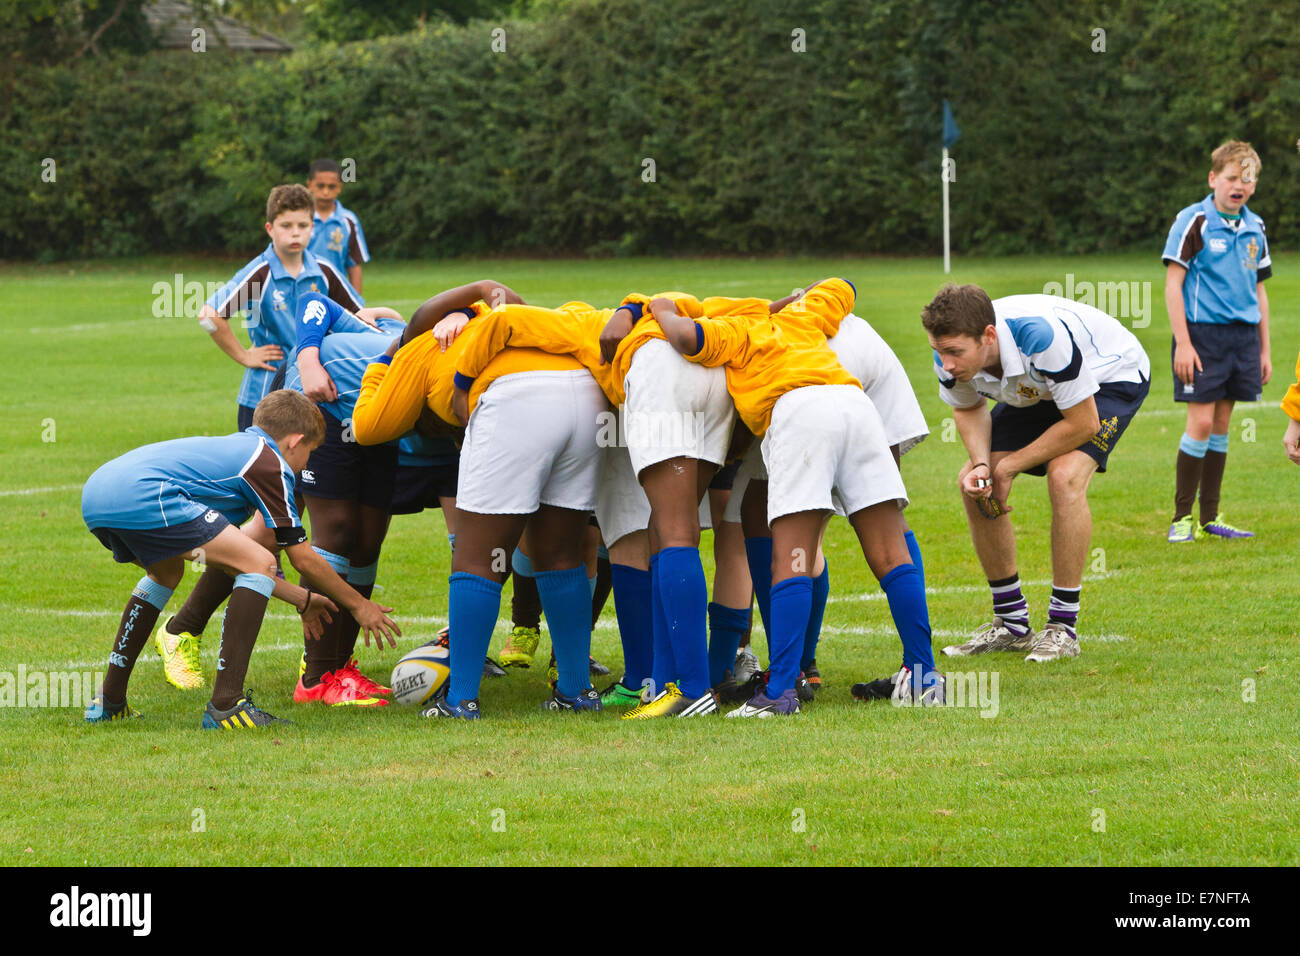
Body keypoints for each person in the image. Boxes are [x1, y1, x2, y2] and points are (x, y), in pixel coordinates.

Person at [651, 279, 940, 715]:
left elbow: (687, 337)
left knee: (793, 557)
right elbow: (845, 285)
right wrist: (800, 296)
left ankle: (782, 690)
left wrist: (662, 308)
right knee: (891, 550)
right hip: (856, 406)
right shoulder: (804, 317)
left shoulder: (737, 333)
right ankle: (923, 675)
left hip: (801, 415)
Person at [81, 390, 399, 728]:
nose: (308, 464)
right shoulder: (269, 462)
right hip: (145, 494)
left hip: (99, 494)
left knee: (166, 574)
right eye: (311, 452)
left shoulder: (240, 450)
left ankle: (109, 701)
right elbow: (301, 559)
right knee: (259, 561)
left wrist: (302, 599)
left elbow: (238, 559)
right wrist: (358, 605)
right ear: (295, 441)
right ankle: (226, 705)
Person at [924, 285, 1150, 662]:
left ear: (988, 337)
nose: (946, 363)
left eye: (955, 352)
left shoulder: (1040, 337)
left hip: (1110, 375)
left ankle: (1063, 627)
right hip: (1040, 388)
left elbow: (1083, 423)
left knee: (1065, 477)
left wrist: (1009, 466)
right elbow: (968, 409)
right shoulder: (949, 359)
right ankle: (1011, 623)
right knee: (976, 484)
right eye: (940, 351)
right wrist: (983, 464)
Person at [1163, 140, 1272, 542]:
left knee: (1223, 424)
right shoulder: (1193, 221)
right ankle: (1180, 518)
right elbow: (1173, 284)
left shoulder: (1255, 227)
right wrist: (1184, 343)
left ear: (1254, 184)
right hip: (1202, 336)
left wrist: (1264, 350)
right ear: (1213, 179)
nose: (1238, 186)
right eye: (1231, 178)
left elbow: (1259, 290)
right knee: (1202, 422)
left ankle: (1210, 517)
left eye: (1247, 179)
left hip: (1243, 339)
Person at [197, 184, 365, 433]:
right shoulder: (259, 274)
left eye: (303, 226)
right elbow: (209, 316)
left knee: (308, 469)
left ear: (312, 228)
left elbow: (360, 317)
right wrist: (245, 355)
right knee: (263, 469)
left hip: (313, 392)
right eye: (286, 226)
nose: (295, 234)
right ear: (270, 229)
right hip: (264, 398)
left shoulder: (324, 271)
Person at [305, 158, 370, 294]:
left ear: (340, 187)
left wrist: (356, 305)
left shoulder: (348, 221)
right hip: (302, 292)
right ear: (309, 185)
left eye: (331, 186)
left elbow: (354, 265)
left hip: (336, 296)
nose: (326, 192)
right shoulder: (299, 219)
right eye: (320, 186)